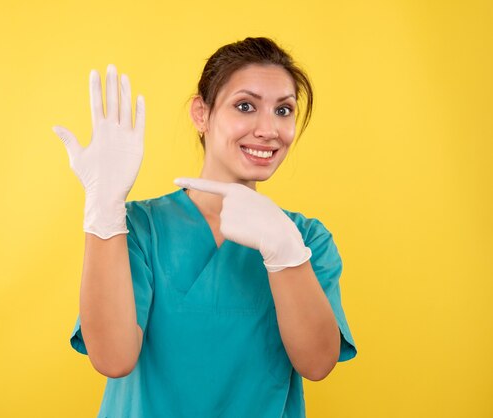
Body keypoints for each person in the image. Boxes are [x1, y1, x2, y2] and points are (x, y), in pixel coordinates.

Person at [53, 37, 357, 418]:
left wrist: (286, 254)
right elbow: (113, 359)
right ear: (202, 113)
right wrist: (103, 207)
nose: (268, 129)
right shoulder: (138, 229)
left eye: (283, 110)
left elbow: (317, 365)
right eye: (245, 106)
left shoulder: (306, 240)